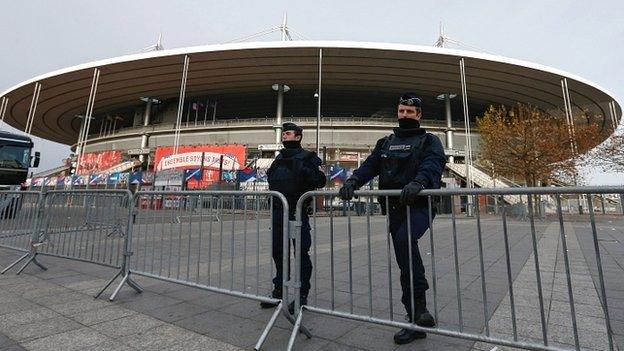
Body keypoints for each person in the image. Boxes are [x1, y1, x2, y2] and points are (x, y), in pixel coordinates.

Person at [339, 93, 446, 344]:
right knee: (403, 253)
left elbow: (433, 164)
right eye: (401, 111)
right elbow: (370, 166)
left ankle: (419, 310)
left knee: (405, 240)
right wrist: (353, 181)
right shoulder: (386, 142)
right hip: (395, 207)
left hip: (419, 204)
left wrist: (419, 182)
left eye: (410, 112)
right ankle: (415, 316)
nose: (405, 116)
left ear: (418, 115)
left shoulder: (430, 140)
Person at [261, 122, 326, 314]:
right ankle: (279, 291)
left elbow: (320, 181)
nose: (284, 137)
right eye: (284, 134)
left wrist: (304, 172)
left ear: (298, 137)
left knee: (300, 253)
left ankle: (302, 294)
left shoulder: (309, 158)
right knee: (278, 252)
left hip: (297, 212)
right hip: (279, 212)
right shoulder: (279, 158)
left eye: (288, 134)